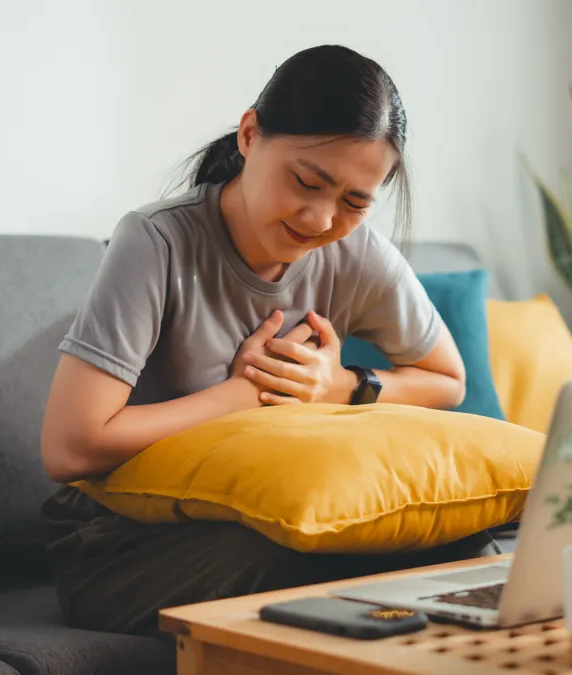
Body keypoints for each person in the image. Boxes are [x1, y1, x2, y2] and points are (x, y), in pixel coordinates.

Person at [38, 44, 500, 638]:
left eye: (355, 202)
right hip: (121, 546)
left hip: (286, 524)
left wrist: (343, 388)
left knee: (470, 554)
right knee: (303, 569)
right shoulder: (157, 242)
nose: (320, 220)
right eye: (307, 181)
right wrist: (241, 398)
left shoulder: (356, 254)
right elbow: (69, 447)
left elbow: (448, 380)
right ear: (250, 135)